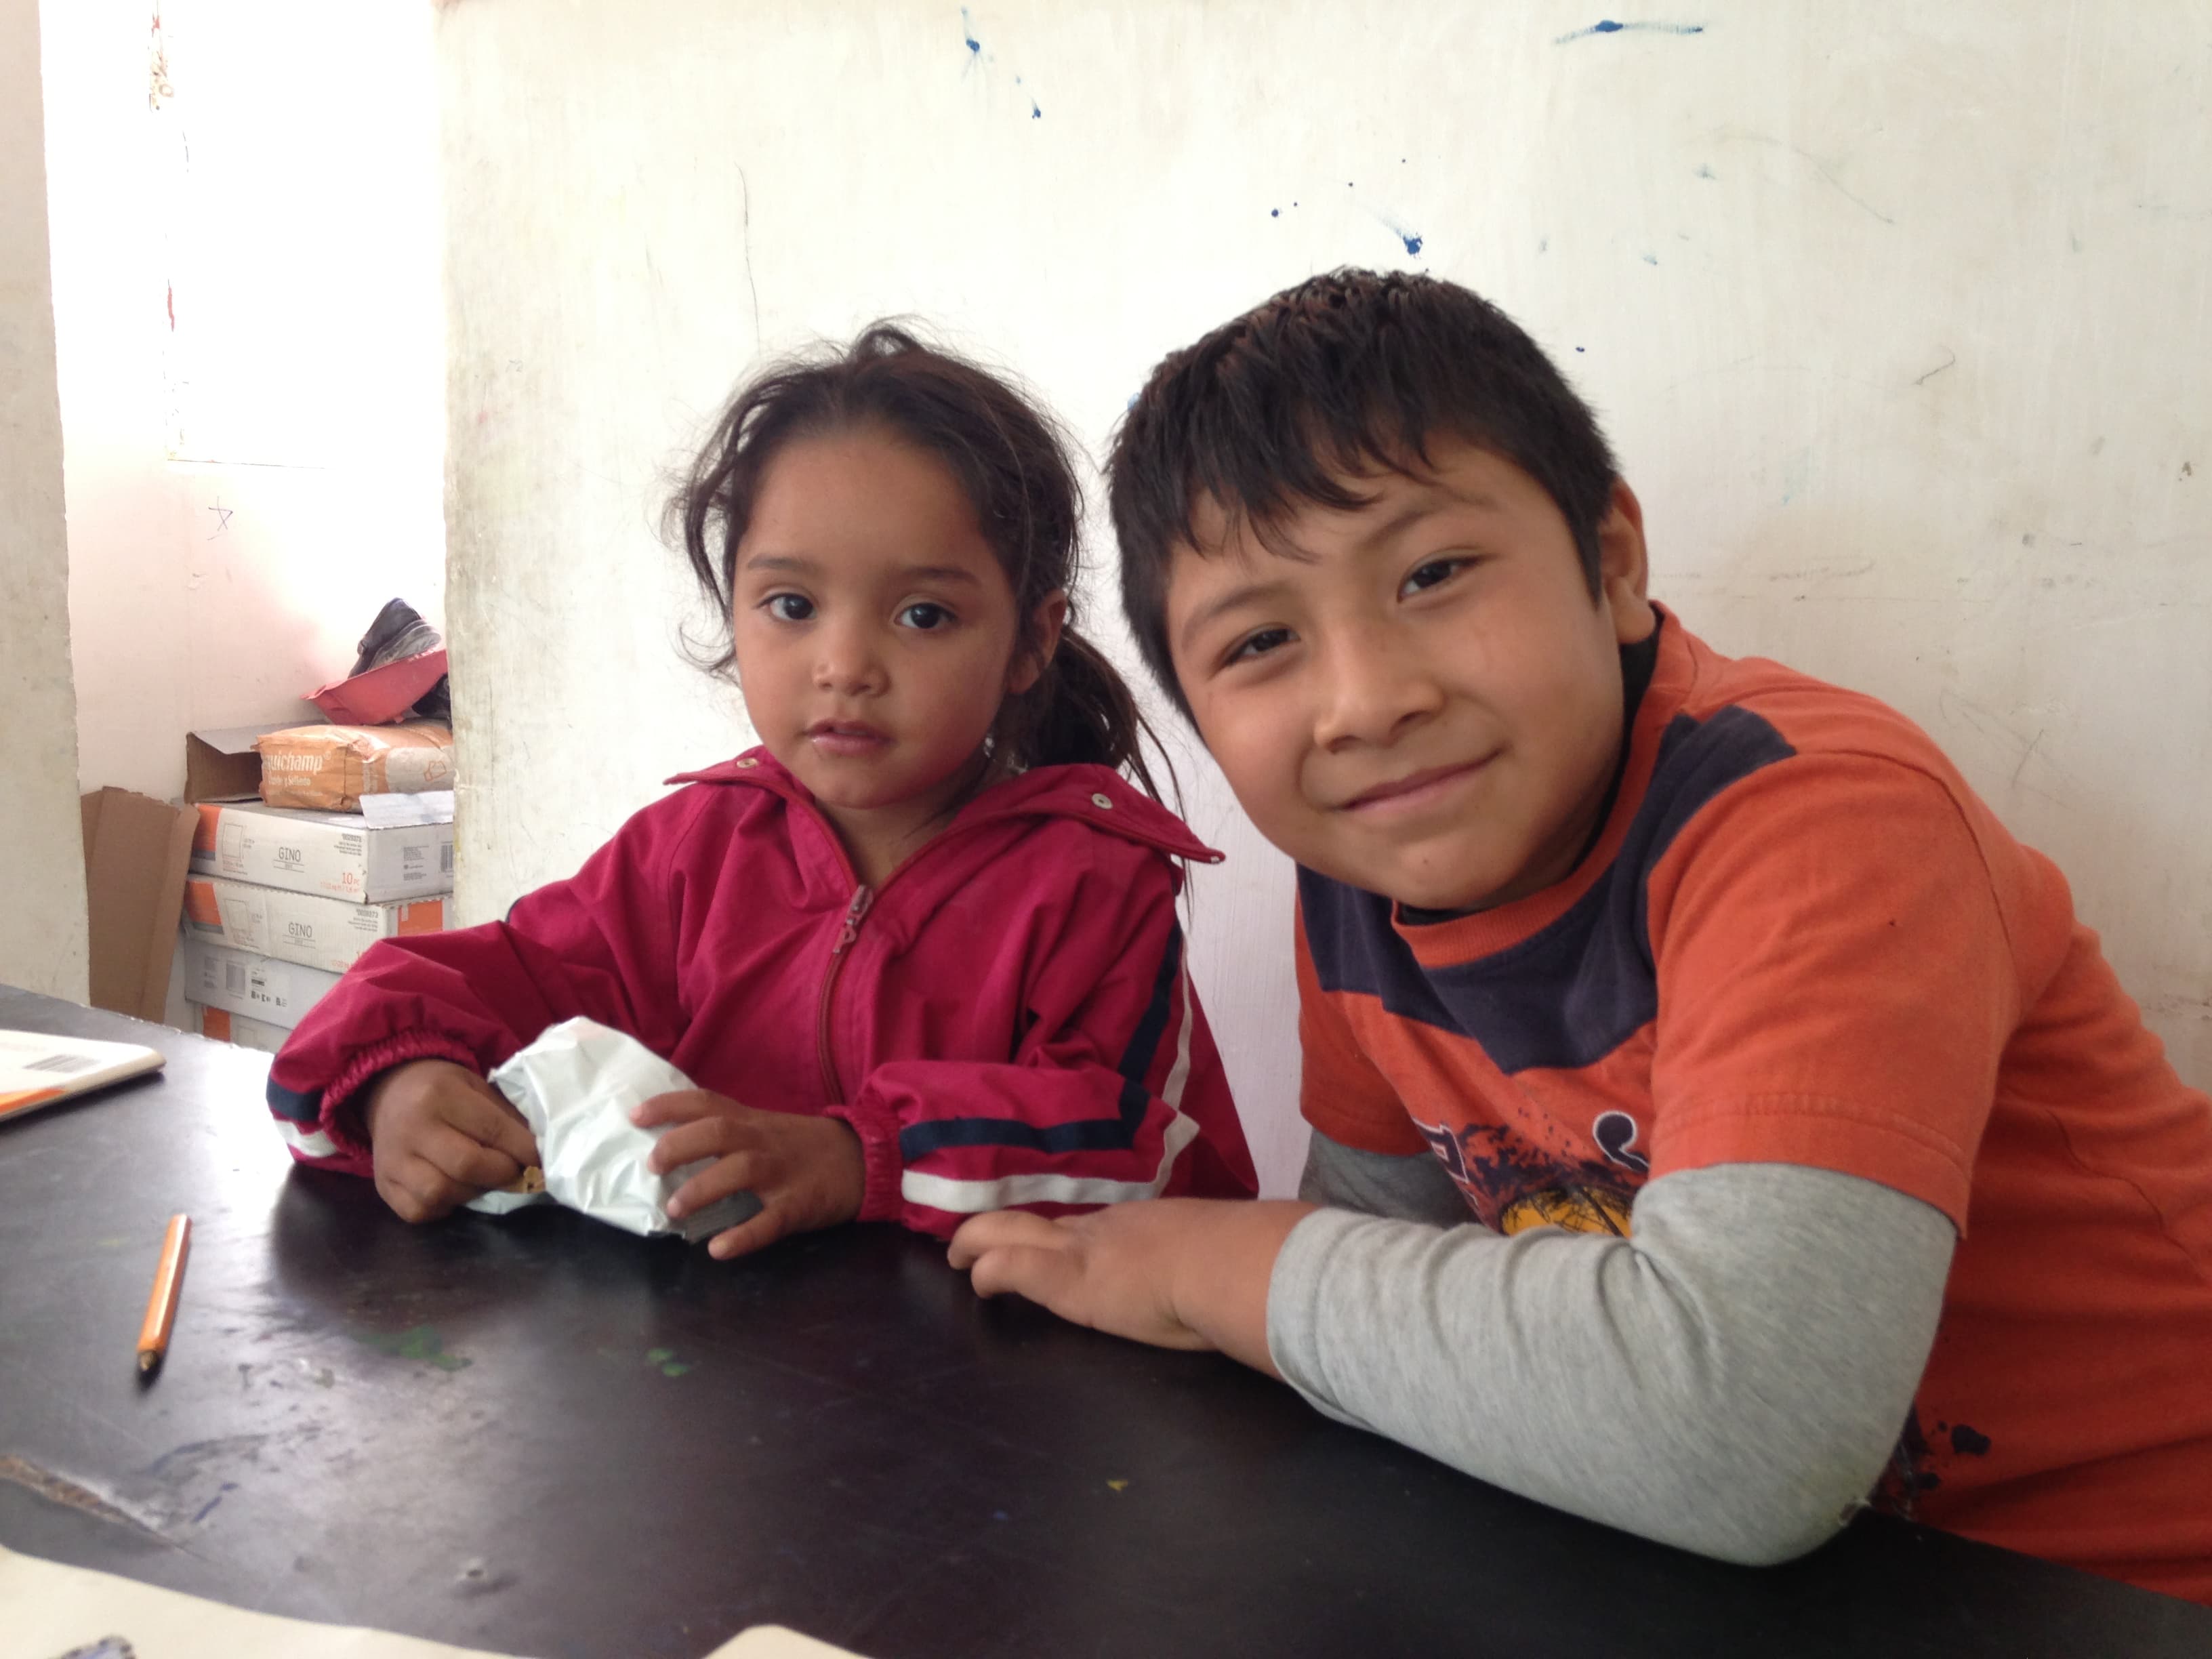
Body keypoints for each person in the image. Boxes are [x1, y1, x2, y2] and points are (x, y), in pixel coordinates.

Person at [949, 270, 2212, 1603]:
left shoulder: (1818, 822)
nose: (1368, 704)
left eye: (1433, 574)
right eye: (1262, 641)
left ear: (1609, 562)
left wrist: (1207, 1262)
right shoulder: (1364, 880)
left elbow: (1743, 1429)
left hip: (2126, 1589)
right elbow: (1382, 1272)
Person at [265, 325, 1257, 1258]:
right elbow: (472, 981)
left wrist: (859, 1159)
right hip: (720, 1400)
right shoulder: (687, 857)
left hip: (994, 1407)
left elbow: (1145, 1155)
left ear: (1031, 641)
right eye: (792, 605)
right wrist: (397, 1083)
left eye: (922, 614)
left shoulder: (1094, 886)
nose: (844, 664)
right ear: (732, 608)